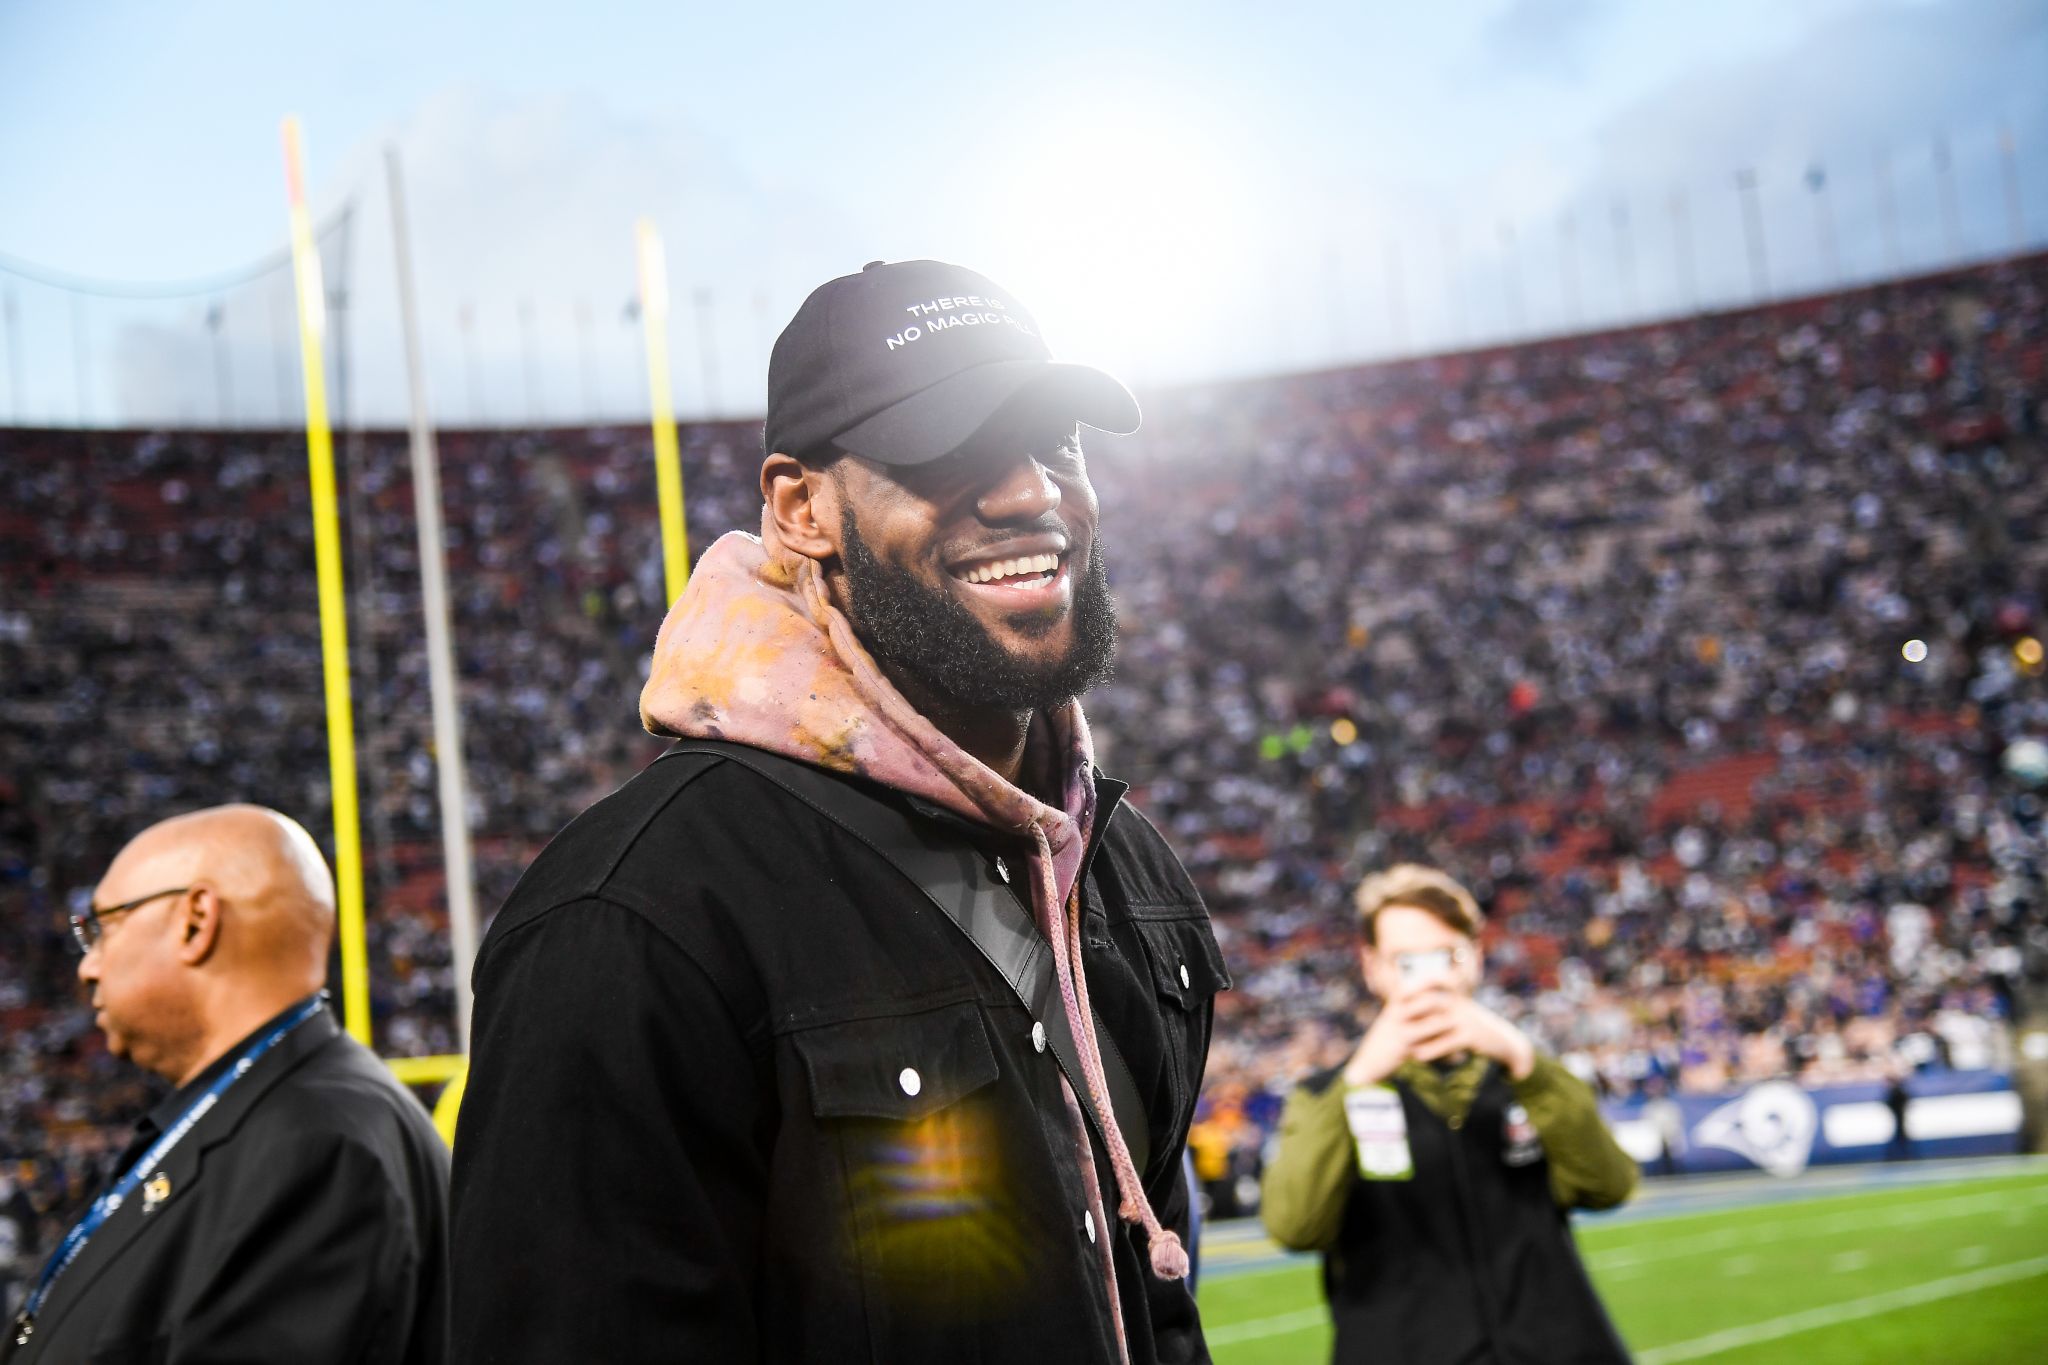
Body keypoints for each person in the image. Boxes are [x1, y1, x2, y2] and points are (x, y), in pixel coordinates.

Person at [451, 259, 1228, 1363]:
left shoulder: (1125, 863)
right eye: (951, 451)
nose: (1028, 494)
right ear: (800, 506)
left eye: (1054, 442)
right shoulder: (630, 915)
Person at [4, 805, 450, 1364]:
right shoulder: (271, 1109)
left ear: (196, 921)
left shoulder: (313, 1146)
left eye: (101, 927)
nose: (87, 967)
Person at [1260, 864, 1635, 1364]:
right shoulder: (1323, 1096)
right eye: (1404, 961)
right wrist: (1357, 1083)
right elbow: (1296, 1227)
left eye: (1444, 956)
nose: (1426, 980)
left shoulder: (1529, 1076)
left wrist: (1525, 1063)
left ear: (1474, 960)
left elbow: (1608, 1186)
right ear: (1372, 968)